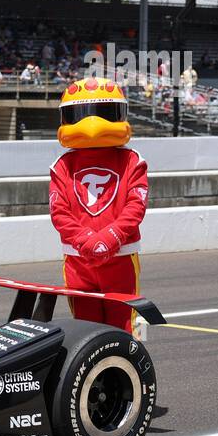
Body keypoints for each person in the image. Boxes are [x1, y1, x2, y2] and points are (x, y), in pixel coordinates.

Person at [49, 78, 148, 335]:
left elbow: (135, 207)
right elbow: (59, 211)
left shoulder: (132, 160)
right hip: (78, 259)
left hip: (121, 257)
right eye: (81, 114)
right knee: (85, 329)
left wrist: (110, 238)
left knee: (122, 327)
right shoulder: (61, 164)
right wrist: (87, 241)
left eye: (101, 112)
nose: (91, 123)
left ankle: (121, 374)